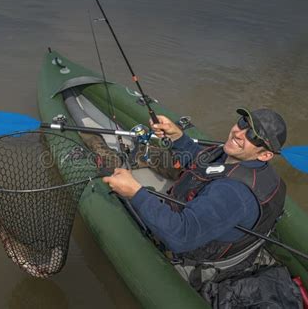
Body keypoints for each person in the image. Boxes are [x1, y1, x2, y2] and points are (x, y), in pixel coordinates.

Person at [102, 108, 288, 288]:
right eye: (243, 123)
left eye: (253, 137)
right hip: (214, 229)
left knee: (123, 197)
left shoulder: (234, 193)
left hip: (195, 254)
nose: (239, 133)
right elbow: (202, 162)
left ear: (265, 154)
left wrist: (135, 192)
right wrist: (178, 137)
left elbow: (181, 236)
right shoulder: (236, 158)